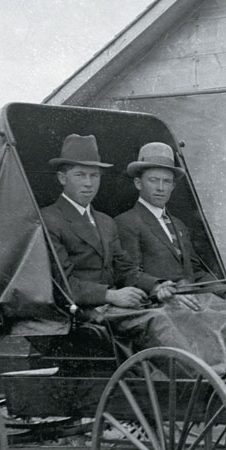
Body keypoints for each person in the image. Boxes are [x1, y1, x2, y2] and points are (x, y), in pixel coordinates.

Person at [39, 133, 174, 352]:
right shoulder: (49, 220)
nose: (88, 183)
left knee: (173, 311)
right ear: (62, 178)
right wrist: (111, 295)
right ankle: (189, 381)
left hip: (109, 306)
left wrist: (156, 285)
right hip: (79, 311)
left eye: (94, 176)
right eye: (80, 175)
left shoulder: (105, 222)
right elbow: (62, 284)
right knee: (158, 320)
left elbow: (123, 268)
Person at [114, 141, 226, 367]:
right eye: (154, 181)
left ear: (173, 187)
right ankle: (212, 381)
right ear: (138, 183)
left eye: (167, 182)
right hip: (161, 305)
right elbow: (129, 273)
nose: (160, 187)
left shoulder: (179, 225)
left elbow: (196, 271)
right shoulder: (127, 223)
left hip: (193, 302)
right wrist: (162, 288)